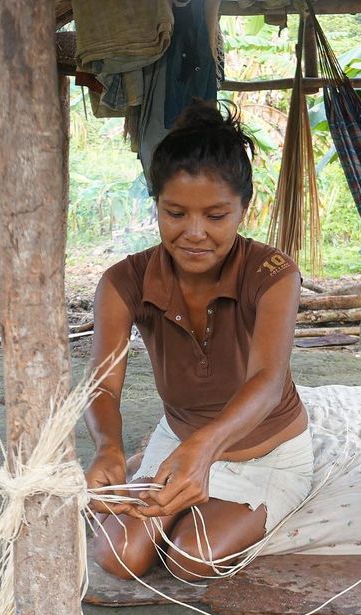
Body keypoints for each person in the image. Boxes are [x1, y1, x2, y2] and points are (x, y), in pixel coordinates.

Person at [84, 101, 313, 580]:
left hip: (267, 454)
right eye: (175, 213)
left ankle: (164, 478)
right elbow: (102, 387)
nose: (194, 233)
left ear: (243, 210)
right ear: (156, 205)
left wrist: (204, 450)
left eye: (215, 216)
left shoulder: (272, 273)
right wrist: (107, 446)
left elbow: (269, 382)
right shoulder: (123, 281)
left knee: (193, 558)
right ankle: (143, 462)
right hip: (180, 443)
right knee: (119, 558)